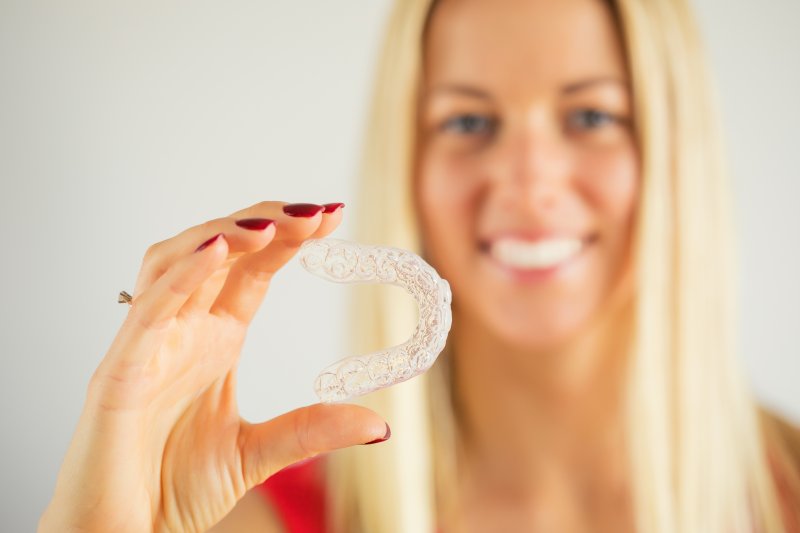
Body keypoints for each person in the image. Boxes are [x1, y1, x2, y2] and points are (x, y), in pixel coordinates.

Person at [39, 0, 800, 531]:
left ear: (675, 147)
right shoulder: (247, 516)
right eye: (467, 120)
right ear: (404, 162)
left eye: (591, 116)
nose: (528, 181)